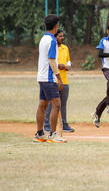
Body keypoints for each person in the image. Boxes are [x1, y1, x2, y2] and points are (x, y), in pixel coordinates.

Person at [33, 14, 66, 143]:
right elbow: (52, 61)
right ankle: (53, 134)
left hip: (41, 77)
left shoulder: (43, 39)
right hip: (48, 77)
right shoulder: (52, 40)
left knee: (42, 105)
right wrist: (59, 78)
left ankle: (40, 134)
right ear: (56, 26)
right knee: (56, 104)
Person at [43, 29, 75, 133]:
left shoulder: (65, 48)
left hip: (64, 80)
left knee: (63, 103)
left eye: (62, 36)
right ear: (55, 37)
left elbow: (69, 63)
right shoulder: (52, 47)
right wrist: (58, 66)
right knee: (51, 104)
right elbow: (49, 63)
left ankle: (64, 124)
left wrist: (65, 66)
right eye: (60, 36)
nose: (62, 38)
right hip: (53, 80)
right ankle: (47, 125)